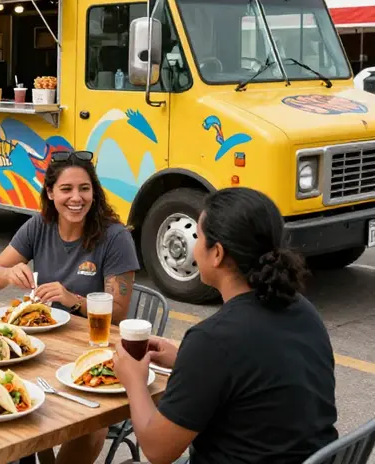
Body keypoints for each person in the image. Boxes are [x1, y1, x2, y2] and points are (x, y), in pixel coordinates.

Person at [112, 187, 338, 464]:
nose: (195, 246)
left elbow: (158, 451)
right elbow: (255, 374)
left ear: (216, 253)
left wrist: (134, 380)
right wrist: (185, 360)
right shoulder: (302, 308)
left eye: (198, 236)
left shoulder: (212, 340)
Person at [0, 149, 140, 464]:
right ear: (51, 193)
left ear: (95, 193)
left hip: (91, 352)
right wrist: (9, 273)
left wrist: (71, 299)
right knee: (9, 396)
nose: (76, 198)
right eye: (66, 189)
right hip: (40, 348)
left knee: (91, 427)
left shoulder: (115, 237)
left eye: (84, 188)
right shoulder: (39, 225)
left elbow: (119, 313)